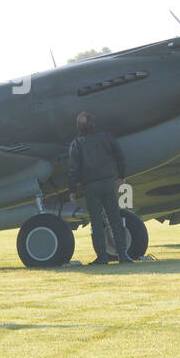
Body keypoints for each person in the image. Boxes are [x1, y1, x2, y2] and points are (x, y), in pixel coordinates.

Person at [67, 111, 133, 265]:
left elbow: (73, 169)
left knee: (96, 222)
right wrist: (122, 176)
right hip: (108, 182)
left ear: (79, 128)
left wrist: (72, 190)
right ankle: (123, 255)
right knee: (115, 218)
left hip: (90, 186)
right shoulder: (106, 137)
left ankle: (102, 257)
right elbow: (119, 156)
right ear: (94, 124)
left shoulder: (77, 143)